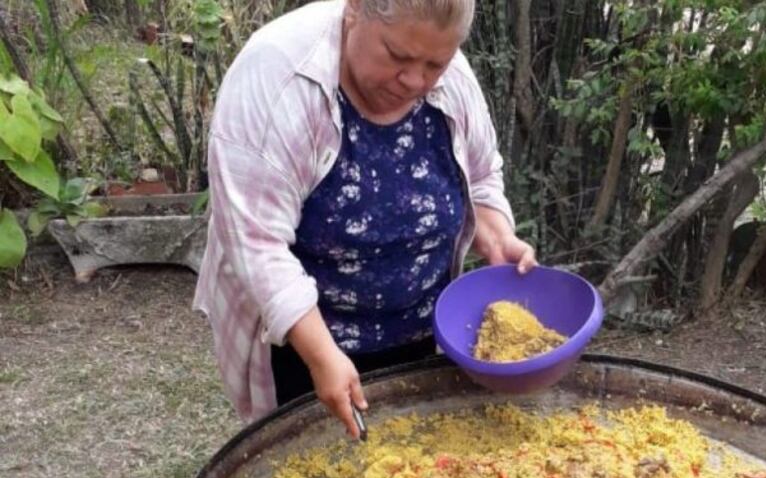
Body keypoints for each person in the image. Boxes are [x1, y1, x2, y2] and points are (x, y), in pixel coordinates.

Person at [193, 0, 535, 438]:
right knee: (316, 462)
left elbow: (482, 174)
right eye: (397, 56)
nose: (416, 80)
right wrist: (322, 357)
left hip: (420, 329)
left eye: (435, 64)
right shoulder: (276, 78)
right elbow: (256, 244)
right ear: (354, 9)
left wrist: (497, 234)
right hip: (306, 340)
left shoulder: (448, 71)